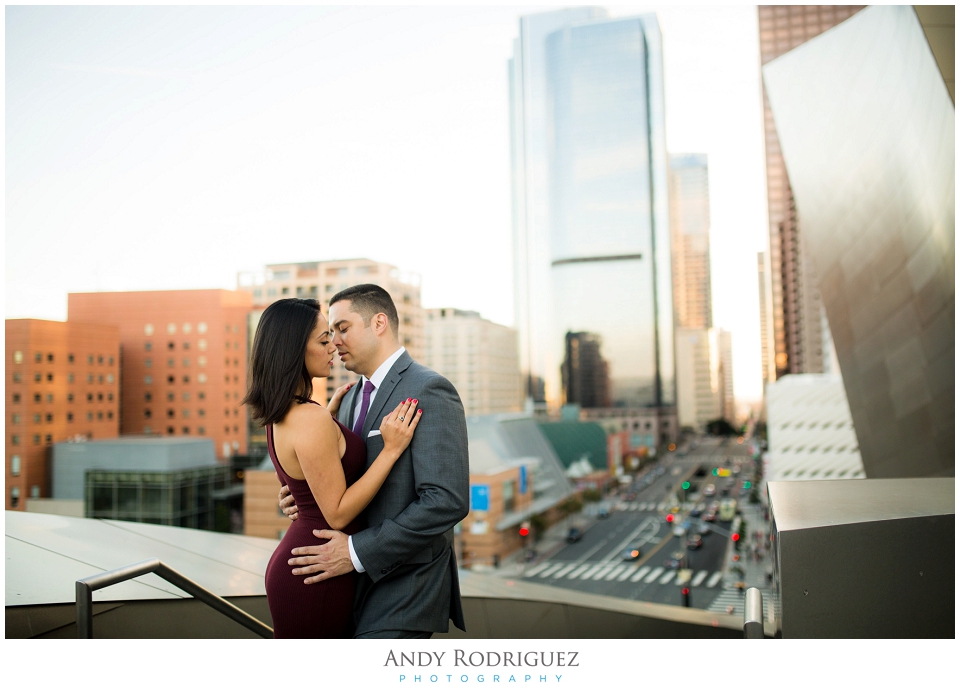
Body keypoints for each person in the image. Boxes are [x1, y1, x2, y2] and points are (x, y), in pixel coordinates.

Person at [280, 284, 469, 638]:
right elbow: (347, 482)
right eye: (330, 332)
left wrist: (354, 551)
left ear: (379, 322)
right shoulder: (351, 399)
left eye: (343, 328)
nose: (334, 341)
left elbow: (447, 501)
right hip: (350, 590)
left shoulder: (430, 388)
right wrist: (302, 493)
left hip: (404, 589)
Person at [243, 298, 422, 638]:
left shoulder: (288, 413)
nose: (333, 347)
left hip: (310, 561)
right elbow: (337, 514)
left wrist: (329, 421)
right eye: (323, 340)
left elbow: (307, 477)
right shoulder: (310, 419)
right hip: (316, 570)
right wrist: (390, 450)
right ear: (295, 349)